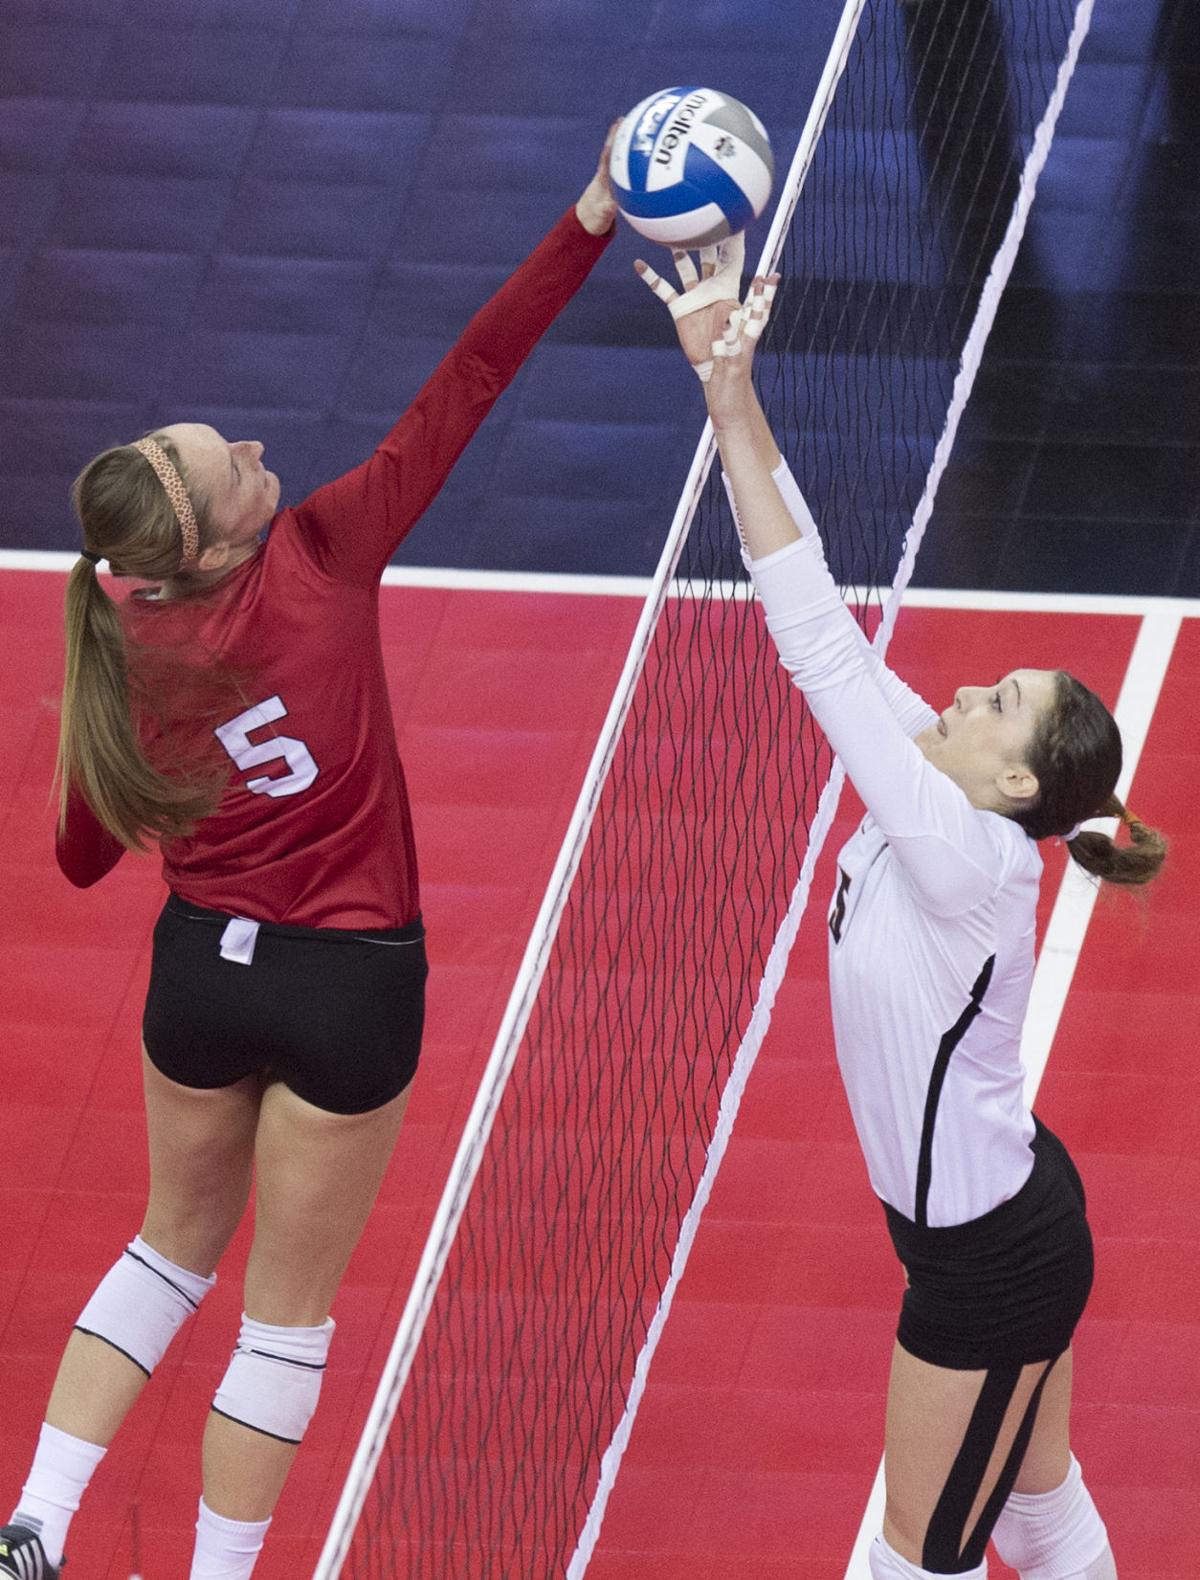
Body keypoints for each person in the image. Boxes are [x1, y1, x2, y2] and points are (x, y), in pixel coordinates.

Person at [0, 133, 618, 1580]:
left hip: (199, 983)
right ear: (213, 548)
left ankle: (31, 1525)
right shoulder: (325, 553)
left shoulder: (118, 646)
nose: (268, 455)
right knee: (283, 1315)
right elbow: (468, 378)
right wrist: (588, 216)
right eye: (241, 471)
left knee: (167, 1251)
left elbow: (85, 859)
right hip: (348, 986)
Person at [637, 242, 1165, 1580]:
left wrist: (730, 387)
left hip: (990, 1266)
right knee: (1038, 1516)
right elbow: (800, 576)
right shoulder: (941, 782)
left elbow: (813, 635)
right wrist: (729, 390)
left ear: (1017, 781)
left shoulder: (964, 849)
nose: (973, 692)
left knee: (907, 1558)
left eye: (1003, 706)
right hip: (1001, 1226)